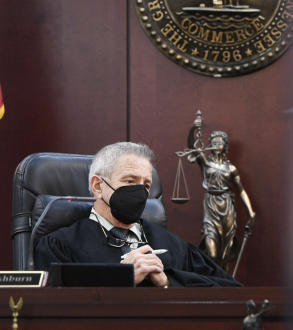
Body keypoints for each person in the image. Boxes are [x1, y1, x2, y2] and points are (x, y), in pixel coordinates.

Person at [34, 142, 240, 287]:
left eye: (146, 185)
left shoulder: (174, 247)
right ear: (98, 186)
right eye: (130, 181)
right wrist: (120, 278)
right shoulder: (60, 245)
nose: (140, 192)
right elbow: (55, 307)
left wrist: (168, 282)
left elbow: (231, 291)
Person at [186, 113, 256, 270]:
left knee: (226, 251)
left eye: (220, 142)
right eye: (214, 142)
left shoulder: (231, 169)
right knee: (212, 251)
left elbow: (241, 191)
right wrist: (193, 128)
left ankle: (223, 286)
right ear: (210, 144)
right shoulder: (205, 162)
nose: (217, 144)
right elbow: (191, 146)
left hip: (227, 205)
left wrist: (251, 211)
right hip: (211, 203)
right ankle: (213, 285)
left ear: (225, 146)